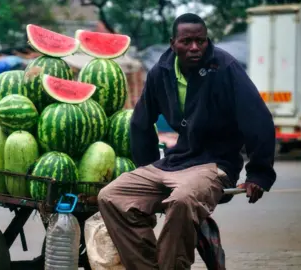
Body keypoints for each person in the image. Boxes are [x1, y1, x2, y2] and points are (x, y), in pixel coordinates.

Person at [97, 13, 276, 270]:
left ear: (207, 41)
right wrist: (147, 169)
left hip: (215, 164)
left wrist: (259, 174)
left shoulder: (224, 68)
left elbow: (258, 120)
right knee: (111, 196)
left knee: (182, 200)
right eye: (186, 41)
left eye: (200, 41)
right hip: (176, 161)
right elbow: (140, 122)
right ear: (173, 43)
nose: (194, 47)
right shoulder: (162, 71)